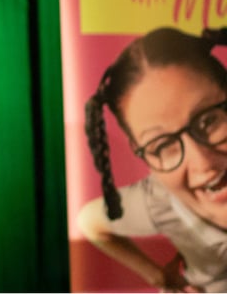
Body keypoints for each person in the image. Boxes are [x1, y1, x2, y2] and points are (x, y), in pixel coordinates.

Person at [78, 27, 227, 293]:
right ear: (145, 157)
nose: (203, 163)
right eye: (164, 145)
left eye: (208, 121)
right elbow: (89, 222)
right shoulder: (159, 203)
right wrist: (158, 276)